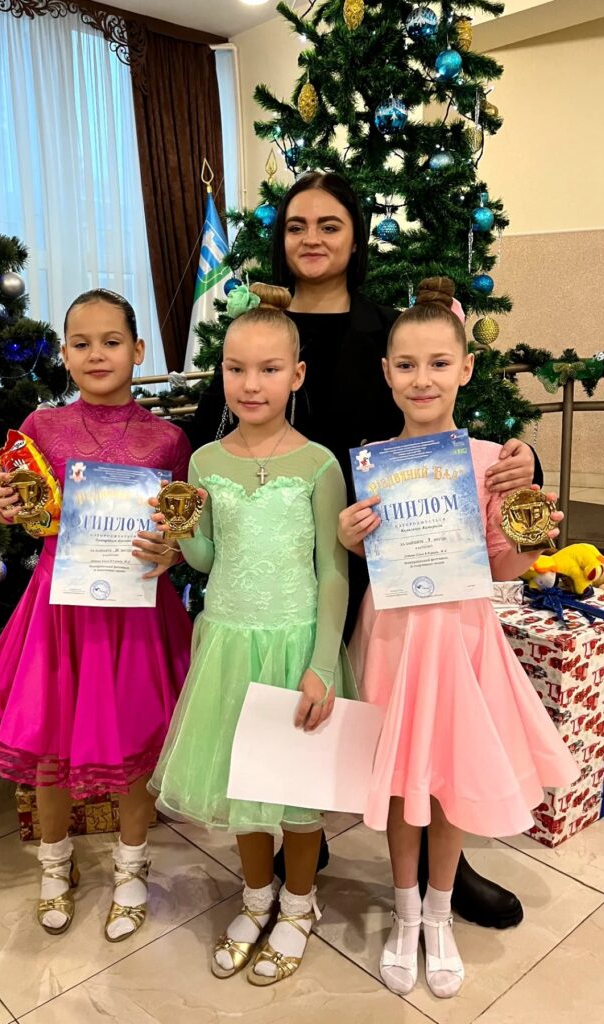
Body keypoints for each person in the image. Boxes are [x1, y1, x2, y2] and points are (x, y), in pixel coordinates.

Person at [187, 170, 538, 929]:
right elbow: (210, 426)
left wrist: (520, 464)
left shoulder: (386, 327)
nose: (311, 239)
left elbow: (443, 423)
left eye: (329, 225)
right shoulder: (257, 326)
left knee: (419, 715)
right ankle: (296, 834)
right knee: (292, 696)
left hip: (393, 551)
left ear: (355, 236)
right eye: (296, 226)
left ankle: (447, 869)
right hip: (290, 552)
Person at [341, 278, 579, 999]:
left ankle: (439, 914)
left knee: (447, 777)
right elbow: (367, 555)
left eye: (439, 363)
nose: (423, 379)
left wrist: (527, 538)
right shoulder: (372, 462)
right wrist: (349, 538)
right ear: (386, 373)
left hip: (462, 642)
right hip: (394, 640)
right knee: (398, 784)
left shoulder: (490, 461)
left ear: (465, 369)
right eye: (407, 364)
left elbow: (503, 566)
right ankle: (404, 911)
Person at [0, 289, 192, 940]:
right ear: (64, 354)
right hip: (58, 613)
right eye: (81, 343)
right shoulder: (41, 428)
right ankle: (54, 862)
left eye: (111, 342)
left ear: (138, 350)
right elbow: (13, 502)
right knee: (48, 741)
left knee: (136, 744)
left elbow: (183, 527)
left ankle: (131, 867)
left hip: (137, 615)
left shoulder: (167, 438)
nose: (97, 354)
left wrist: (174, 549)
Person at [150, 282, 355, 985]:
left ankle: (298, 906)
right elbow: (208, 560)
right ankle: (256, 895)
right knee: (241, 785)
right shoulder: (205, 462)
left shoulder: (319, 463)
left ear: (296, 374)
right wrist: (182, 532)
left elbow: (332, 570)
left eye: (269, 369)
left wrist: (322, 662)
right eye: (236, 368)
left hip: (296, 643)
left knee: (296, 794)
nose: (251, 383)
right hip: (228, 643)